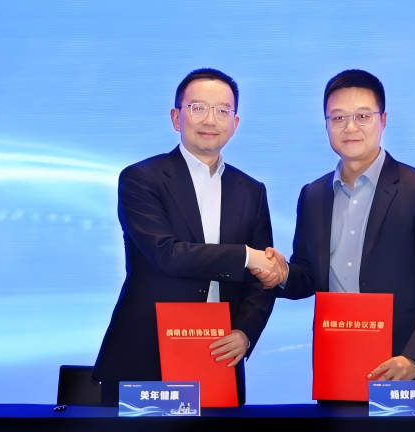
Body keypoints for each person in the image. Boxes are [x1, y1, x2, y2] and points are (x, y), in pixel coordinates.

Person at [92, 68, 287, 403]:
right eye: (198, 108)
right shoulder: (141, 179)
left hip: (219, 355)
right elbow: (166, 254)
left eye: (222, 110)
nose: (210, 119)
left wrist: (245, 332)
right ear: (175, 117)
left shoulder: (251, 190)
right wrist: (247, 255)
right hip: (146, 353)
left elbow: (262, 279)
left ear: (235, 123)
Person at [279, 69, 415, 382]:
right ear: (326, 124)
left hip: (401, 367)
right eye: (338, 118)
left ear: (383, 120)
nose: (350, 127)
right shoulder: (313, 195)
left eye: (362, 116)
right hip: (337, 363)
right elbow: (308, 278)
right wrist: (279, 274)